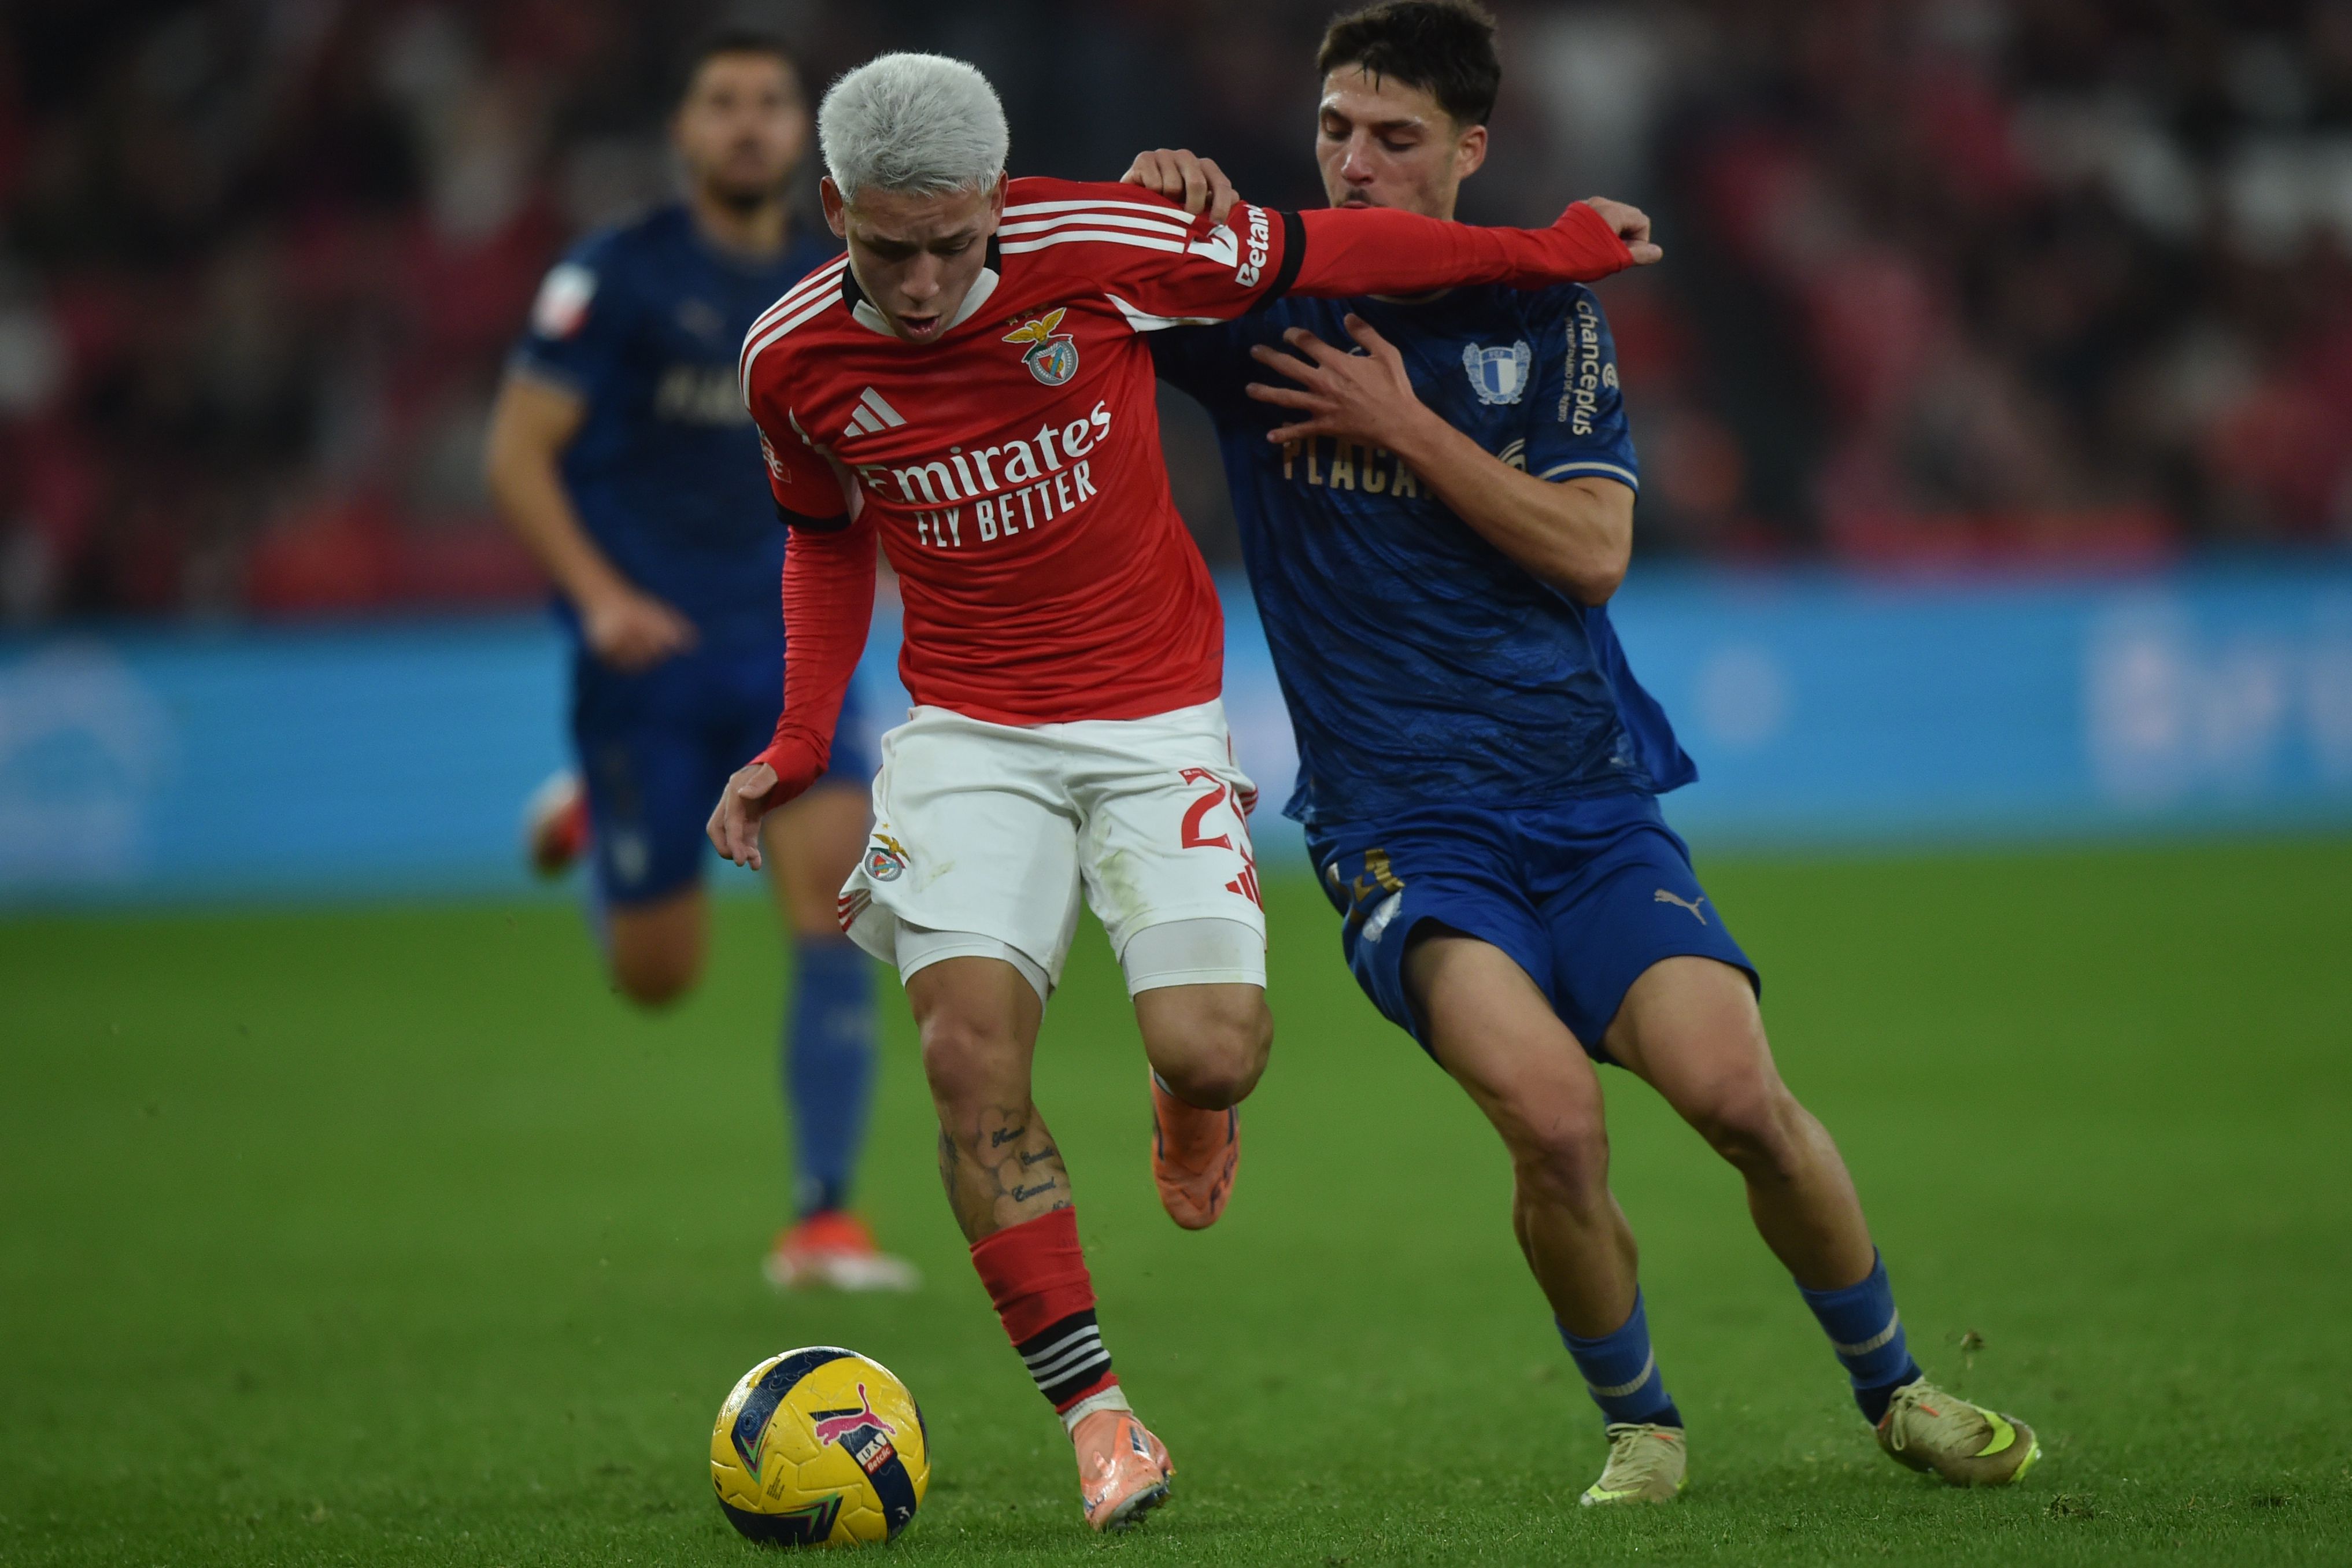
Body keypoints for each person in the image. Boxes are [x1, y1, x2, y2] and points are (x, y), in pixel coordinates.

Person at [705, 50, 1645, 1532]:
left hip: (1154, 720)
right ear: (834, 209)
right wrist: (801, 736)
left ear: (999, 201)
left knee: (1216, 1048)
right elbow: (822, 536)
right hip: (967, 732)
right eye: (893, 249)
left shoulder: (1099, 245)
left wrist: (1552, 248)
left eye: (961, 243)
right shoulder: (790, 359)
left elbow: (1341, 245)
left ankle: (1185, 1097)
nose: (935, 279)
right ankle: (1101, 1419)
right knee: (964, 1060)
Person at [1134, 0, 2037, 1507]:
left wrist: (1405, 427)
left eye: (1394, 137)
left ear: (1470, 151)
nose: (1353, 163)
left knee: (1737, 1098)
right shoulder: (1261, 306)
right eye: (1333, 131)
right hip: (1401, 826)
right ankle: (1643, 1424)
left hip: (1583, 800)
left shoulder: (1540, 318)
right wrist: (1150, 192)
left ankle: (1898, 1391)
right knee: (1550, 1119)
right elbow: (1067, 293)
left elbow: (1593, 549)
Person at [484, 27, 914, 1293]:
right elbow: (516, 455)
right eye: (722, 103)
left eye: (771, 104)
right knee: (658, 979)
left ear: (805, 133)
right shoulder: (614, 277)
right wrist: (603, 599)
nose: (747, 125)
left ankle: (825, 1219)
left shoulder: (847, 281)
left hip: (794, 650)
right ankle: (594, 813)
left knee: (839, 911)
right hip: (646, 664)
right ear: (683, 130)